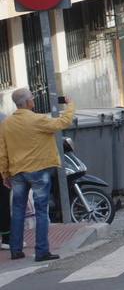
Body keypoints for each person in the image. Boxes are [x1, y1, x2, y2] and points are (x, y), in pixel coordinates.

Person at [0, 89, 75, 262]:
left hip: (17, 172)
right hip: (39, 171)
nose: (33, 100)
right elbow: (63, 122)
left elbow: (2, 151)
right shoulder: (37, 120)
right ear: (27, 103)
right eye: (32, 98)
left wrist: (4, 173)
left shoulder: (7, 123)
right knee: (42, 211)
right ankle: (42, 251)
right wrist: (70, 105)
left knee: (17, 211)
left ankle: (16, 250)